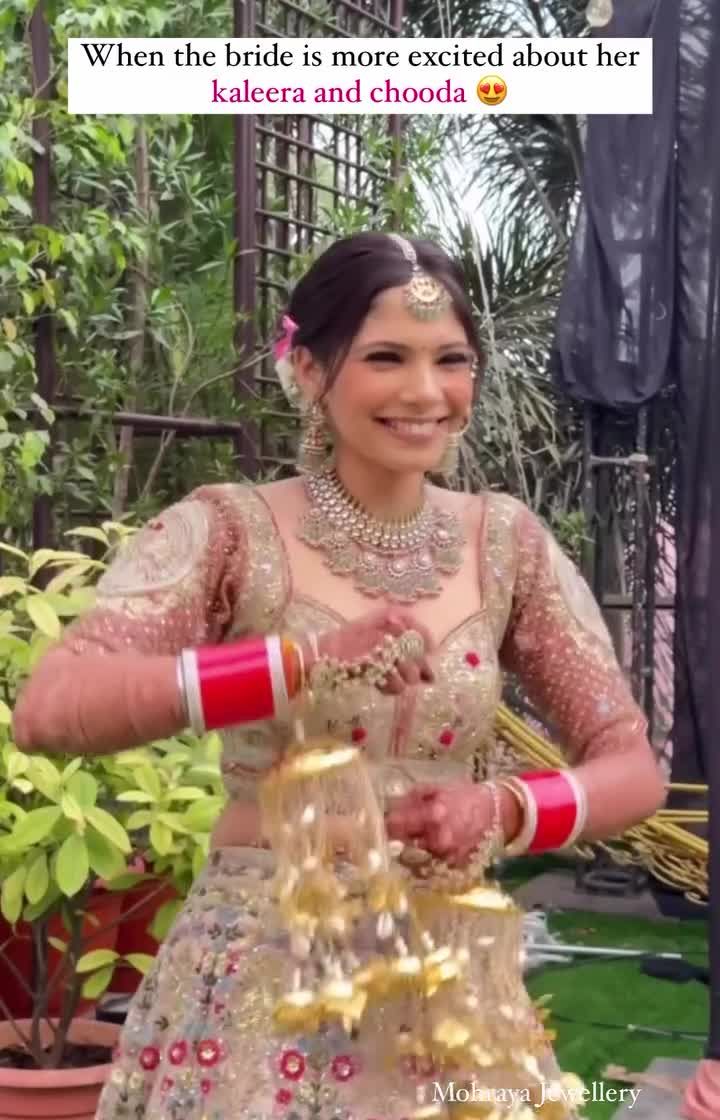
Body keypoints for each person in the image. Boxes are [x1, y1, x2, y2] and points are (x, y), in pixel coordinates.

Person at [12, 232, 666, 1120]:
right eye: (386, 358)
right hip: (262, 977)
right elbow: (52, 709)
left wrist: (502, 810)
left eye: (451, 360)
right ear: (310, 370)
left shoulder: (506, 543)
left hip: (444, 985)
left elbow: (632, 767)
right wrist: (294, 665)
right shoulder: (232, 531)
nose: (425, 392)